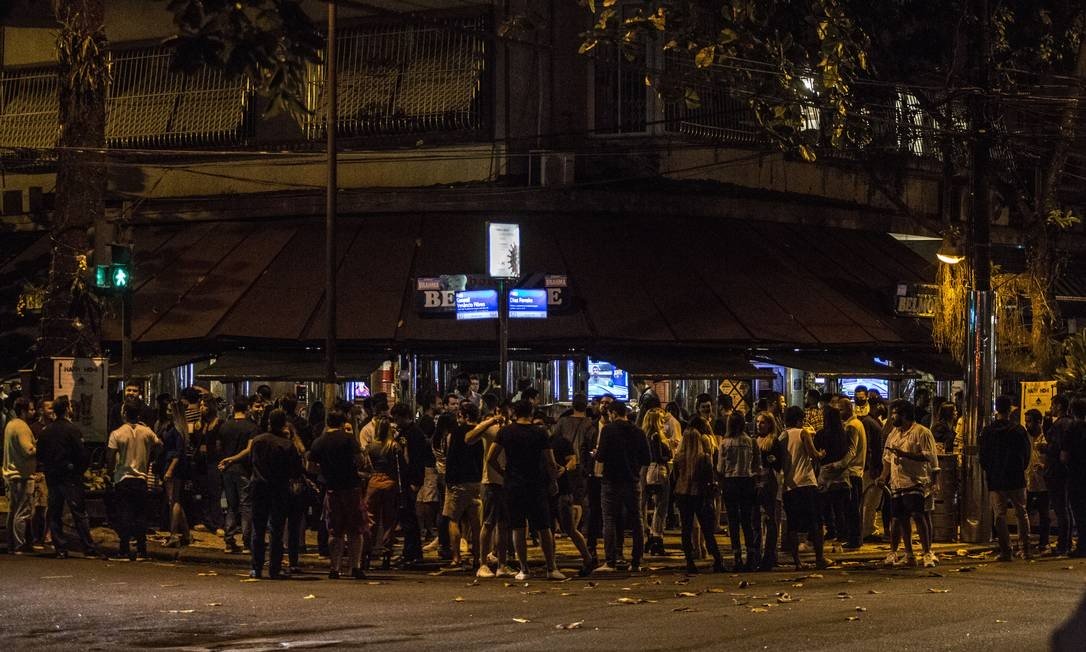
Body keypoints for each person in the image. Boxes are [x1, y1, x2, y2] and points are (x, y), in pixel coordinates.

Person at [486, 399, 565, 580]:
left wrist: (503, 472)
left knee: (518, 527)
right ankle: (551, 567)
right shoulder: (540, 432)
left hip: (513, 484)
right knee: (544, 527)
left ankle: (524, 569)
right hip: (536, 484)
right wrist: (553, 481)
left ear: (514, 412)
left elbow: (491, 458)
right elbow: (549, 461)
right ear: (531, 412)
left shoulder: (505, 432)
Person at [220, 408, 303, 579]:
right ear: (283, 424)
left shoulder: (258, 441)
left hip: (259, 487)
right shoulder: (287, 445)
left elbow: (251, 462)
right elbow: (295, 470)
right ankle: (274, 568)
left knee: (258, 528)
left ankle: (256, 567)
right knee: (276, 529)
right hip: (279, 489)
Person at [36, 396, 101, 559]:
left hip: (52, 476)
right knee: (78, 512)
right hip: (70, 477)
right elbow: (82, 454)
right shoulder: (72, 430)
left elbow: (40, 455)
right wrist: (78, 470)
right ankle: (88, 546)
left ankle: (60, 548)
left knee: (55, 511)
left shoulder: (46, 431)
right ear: (67, 409)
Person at [309, 405, 368, 579]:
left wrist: (326, 472)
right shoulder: (349, 439)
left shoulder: (319, 441)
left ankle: (334, 567)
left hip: (331, 488)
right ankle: (355, 566)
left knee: (335, 530)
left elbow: (310, 467)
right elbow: (360, 461)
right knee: (355, 529)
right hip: (351, 487)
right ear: (343, 423)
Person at [879, 399, 939, 567]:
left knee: (919, 515)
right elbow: (887, 458)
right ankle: (909, 553)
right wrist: (883, 477)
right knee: (900, 517)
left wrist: (904, 454)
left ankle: (927, 552)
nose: (892, 417)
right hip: (897, 482)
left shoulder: (922, 432)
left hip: (916, 480)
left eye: (895, 413)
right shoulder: (893, 434)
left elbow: (929, 457)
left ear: (904, 414)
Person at [595, 400, 651, 573]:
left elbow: (601, 457)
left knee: (609, 519)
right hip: (632, 480)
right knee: (636, 520)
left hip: (611, 480)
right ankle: (636, 560)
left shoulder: (608, 430)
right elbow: (646, 459)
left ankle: (610, 561)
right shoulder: (638, 432)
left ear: (612, 413)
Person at [979, 395, 1032, 561]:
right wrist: (1020, 467)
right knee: (1021, 513)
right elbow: (1026, 453)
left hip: (996, 479)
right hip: (1016, 477)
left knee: (999, 515)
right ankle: (1025, 549)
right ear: (1010, 410)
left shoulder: (988, 431)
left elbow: (983, 456)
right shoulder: (1019, 430)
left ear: (997, 410)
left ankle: (1006, 551)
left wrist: (991, 470)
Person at [107, 402, 161, 561]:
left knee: (124, 514)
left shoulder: (117, 434)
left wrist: (110, 473)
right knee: (140, 515)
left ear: (124, 414)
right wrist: (150, 458)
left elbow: (110, 456)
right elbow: (160, 445)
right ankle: (141, 551)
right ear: (139, 415)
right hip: (141, 478)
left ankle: (124, 550)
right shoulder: (147, 432)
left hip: (123, 478)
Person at [780, 405, 830, 570]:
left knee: (793, 525)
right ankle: (819, 558)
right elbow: (812, 454)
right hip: (806, 483)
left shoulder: (782, 436)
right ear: (799, 419)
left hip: (789, 485)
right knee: (816, 522)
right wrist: (821, 454)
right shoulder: (803, 433)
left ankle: (797, 561)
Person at [673, 419, 724, 573]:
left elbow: (675, 476)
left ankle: (689, 561)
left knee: (686, 529)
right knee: (707, 530)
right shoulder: (704, 458)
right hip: (700, 494)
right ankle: (718, 560)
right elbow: (709, 477)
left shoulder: (678, 457)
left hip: (682, 493)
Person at [548, 412, 595, 576]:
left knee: (569, 528)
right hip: (548, 491)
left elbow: (572, 461)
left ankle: (587, 558)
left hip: (562, 491)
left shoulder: (561, 442)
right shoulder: (539, 443)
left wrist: (564, 470)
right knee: (548, 529)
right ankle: (551, 563)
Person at [442, 402, 483, 571]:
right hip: (476, 481)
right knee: (475, 522)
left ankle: (456, 557)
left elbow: (451, 458)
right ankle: (477, 557)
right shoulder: (481, 433)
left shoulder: (457, 433)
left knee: (453, 520)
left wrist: (449, 480)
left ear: (464, 416)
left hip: (458, 481)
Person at [718, 412, 761, 571]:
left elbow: (720, 468)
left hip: (730, 482)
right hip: (747, 481)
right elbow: (757, 465)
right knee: (747, 520)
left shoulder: (725, 443)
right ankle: (751, 555)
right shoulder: (751, 442)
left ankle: (737, 556)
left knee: (733, 521)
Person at [218, 396, 257, 554]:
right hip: (243, 469)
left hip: (227, 470)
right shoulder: (252, 427)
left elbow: (219, 447)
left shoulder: (225, 426)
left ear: (234, 408)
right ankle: (247, 542)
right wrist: (234, 459)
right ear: (247, 409)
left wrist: (226, 460)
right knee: (246, 505)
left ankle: (229, 540)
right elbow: (249, 449)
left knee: (231, 505)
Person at [3, 397, 37, 553]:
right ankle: (20, 544)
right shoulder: (22, 426)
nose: (33, 411)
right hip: (21, 474)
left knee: (13, 510)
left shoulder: (10, 425)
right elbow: (28, 450)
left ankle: (11, 544)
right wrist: (38, 444)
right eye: (30, 409)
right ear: (23, 411)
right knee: (22, 511)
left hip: (10, 473)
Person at [157, 399, 191, 548]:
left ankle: (174, 534)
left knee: (173, 500)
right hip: (170, 463)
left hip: (173, 465)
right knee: (174, 499)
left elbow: (178, 452)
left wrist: (170, 470)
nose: (167, 413)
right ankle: (186, 533)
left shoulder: (177, 430)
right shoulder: (174, 427)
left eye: (170, 411)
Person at [815, 403, 850, 548]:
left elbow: (816, 450)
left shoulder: (822, 434)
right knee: (839, 505)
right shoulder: (843, 434)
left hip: (826, 471)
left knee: (824, 505)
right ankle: (841, 532)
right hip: (841, 473)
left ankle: (831, 529)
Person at [834, 399, 867, 550]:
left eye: (841, 410)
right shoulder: (857, 424)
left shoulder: (852, 426)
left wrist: (839, 465)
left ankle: (854, 540)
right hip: (855, 471)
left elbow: (851, 450)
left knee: (852, 508)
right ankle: (854, 538)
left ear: (849, 408)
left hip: (852, 471)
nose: (839, 413)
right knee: (852, 508)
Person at [640, 407, 673, 556]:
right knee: (661, 506)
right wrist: (669, 454)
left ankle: (647, 536)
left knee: (645, 506)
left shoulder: (643, 436)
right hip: (659, 472)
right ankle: (656, 537)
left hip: (646, 472)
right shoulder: (656, 436)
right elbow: (659, 456)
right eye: (661, 420)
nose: (663, 422)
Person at [753, 411, 783, 571]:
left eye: (763, 422)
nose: (759, 425)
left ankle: (769, 556)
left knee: (770, 520)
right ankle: (756, 554)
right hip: (756, 483)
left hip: (768, 483)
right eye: (758, 422)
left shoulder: (773, 442)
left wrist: (772, 460)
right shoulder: (754, 440)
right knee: (756, 520)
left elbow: (778, 464)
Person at [1045, 394, 1075, 555]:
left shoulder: (1060, 425)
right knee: (1066, 508)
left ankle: (1063, 544)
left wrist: (1046, 449)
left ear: (1059, 406)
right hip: (1067, 471)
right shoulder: (1071, 423)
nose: (1051, 408)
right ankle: (1067, 542)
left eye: (1052, 405)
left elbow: (1055, 448)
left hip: (1056, 471)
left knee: (1060, 508)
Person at [1060, 398, 1086, 557]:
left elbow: (1064, 456)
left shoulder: (1072, 429)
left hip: (1076, 475)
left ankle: (1082, 546)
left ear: (1071, 411)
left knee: (1079, 510)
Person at [1024, 408, 1050, 553]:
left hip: (1043, 482)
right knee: (1024, 512)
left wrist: (1044, 466)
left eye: (1030, 421)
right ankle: (1025, 542)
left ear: (1039, 422)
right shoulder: (1025, 436)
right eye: (1026, 421)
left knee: (1044, 514)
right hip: (1028, 480)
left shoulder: (1046, 436)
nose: (1027, 425)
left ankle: (1043, 542)